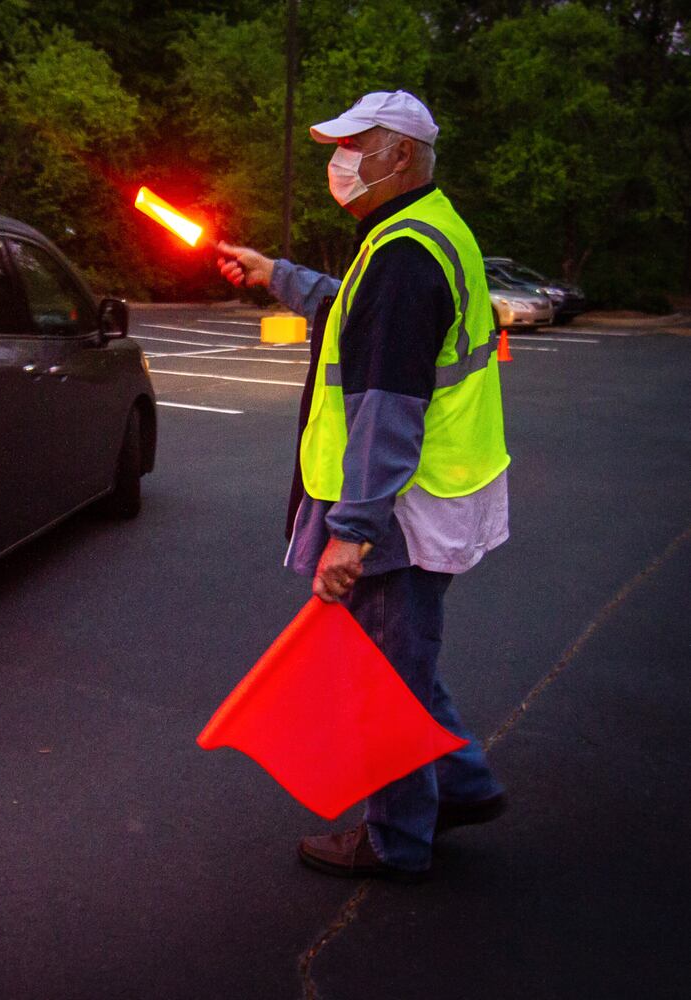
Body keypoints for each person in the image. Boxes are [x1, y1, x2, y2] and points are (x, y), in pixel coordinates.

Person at [215, 90, 509, 881]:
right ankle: (464, 784)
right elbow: (351, 311)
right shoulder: (418, 233)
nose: (338, 160)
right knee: (399, 659)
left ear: (401, 155)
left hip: (402, 513)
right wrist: (275, 274)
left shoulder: (406, 257)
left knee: (384, 677)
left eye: (354, 144)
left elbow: (389, 410)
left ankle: (397, 838)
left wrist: (353, 531)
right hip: (433, 500)